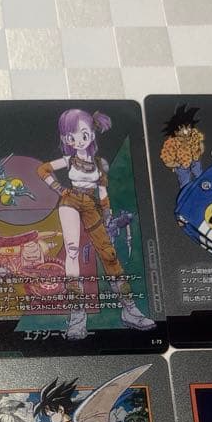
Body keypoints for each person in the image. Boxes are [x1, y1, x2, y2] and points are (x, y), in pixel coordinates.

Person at [36, 109, 155, 340]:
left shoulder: (99, 164)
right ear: (65, 138)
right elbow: (42, 169)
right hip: (70, 201)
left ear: (92, 133)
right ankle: (77, 319)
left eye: (83, 134)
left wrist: (107, 214)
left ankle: (130, 310)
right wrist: (59, 189)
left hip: (92, 206)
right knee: (72, 251)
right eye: (70, 136)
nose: (77, 140)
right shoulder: (69, 160)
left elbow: (103, 193)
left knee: (109, 255)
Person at [159, 104, 204, 188]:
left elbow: (200, 145)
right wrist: (176, 164)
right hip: (182, 165)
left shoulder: (194, 135)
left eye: (189, 127)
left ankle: (202, 187)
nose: (188, 131)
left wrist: (199, 149)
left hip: (195, 161)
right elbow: (167, 158)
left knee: (201, 177)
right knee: (185, 182)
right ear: (176, 131)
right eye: (184, 128)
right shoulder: (171, 143)